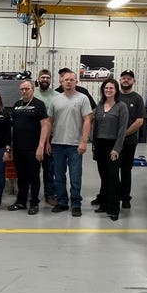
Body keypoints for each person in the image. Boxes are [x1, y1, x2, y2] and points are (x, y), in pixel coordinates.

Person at [48, 70, 93, 217]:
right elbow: (49, 122)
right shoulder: (55, 100)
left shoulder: (83, 98)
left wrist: (84, 141)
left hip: (75, 145)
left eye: (71, 80)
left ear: (76, 82)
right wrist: (47, 142)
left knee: (75, 176)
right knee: (59, 176)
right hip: (57, 144)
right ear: (61, 82)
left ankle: (75, 204)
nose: (68, 82)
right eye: (66, 80)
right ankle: (62, 202)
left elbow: (87, 120)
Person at [8, 79, 50, 215]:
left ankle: (34, 202)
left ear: (33, 89)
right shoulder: (16, 105)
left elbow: (45, 126)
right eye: (22, 89)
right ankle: (21, 201)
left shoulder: (39, 105)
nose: (24, 91)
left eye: (27, 89)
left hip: (33, 148)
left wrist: (41, 146)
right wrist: (11, 147)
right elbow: (13, 127)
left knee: (34, 176)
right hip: (18, 148)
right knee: (21, 176)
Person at [92, 78, 129, 221]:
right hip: (100, 145)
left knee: (113, 177)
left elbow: (122, 130)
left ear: (116, 90)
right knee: (104, 177)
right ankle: (104, 204)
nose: (108, 90)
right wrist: (94, 145)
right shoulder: (100, 105)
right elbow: (96, 127)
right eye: (106, 88)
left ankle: (114, 209)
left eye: (111, 88)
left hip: (113, 145)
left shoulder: (121, 107)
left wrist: (117, 149)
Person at [116, 70, 146, 209]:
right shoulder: (114, 96)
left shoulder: (137, 98)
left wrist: (123, 134)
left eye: (128, 78)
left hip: (129, 142)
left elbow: (139, 121)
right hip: (113, 141)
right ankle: (111, 196)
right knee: (112, 170)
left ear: (133, 81)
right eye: (123, 78)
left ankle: (125, 198)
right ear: (120, 80)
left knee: (126, 170)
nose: (125, 80)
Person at [34, 69, 59, 207]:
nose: (45, 79)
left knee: (50, 169)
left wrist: (48, 141)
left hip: (51, 139)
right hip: (33, 138)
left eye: (47, 77)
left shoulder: (57, 96)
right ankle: (33, 195)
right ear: (38, 79)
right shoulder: (32, 93)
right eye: (42, 77)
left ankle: (49, 194)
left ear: (50, 80)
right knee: (33, 169)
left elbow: (55, 119)